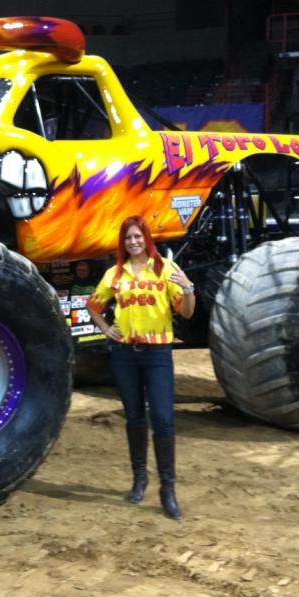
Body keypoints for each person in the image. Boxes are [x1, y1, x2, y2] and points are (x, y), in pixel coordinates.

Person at [86, 215, 195, 520]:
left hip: (157, 352)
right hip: (124, 354)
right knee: (134, 417)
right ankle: (140, 478)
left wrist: (188, 289)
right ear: (122, 242)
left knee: (162, 418)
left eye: (137, 237)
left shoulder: (165, 270)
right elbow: (94, 305)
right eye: (128, 238)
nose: (133, 242)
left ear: (147, 239)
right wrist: (106, 328)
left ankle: (168, 490)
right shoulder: (115, 274)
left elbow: (186, 313)